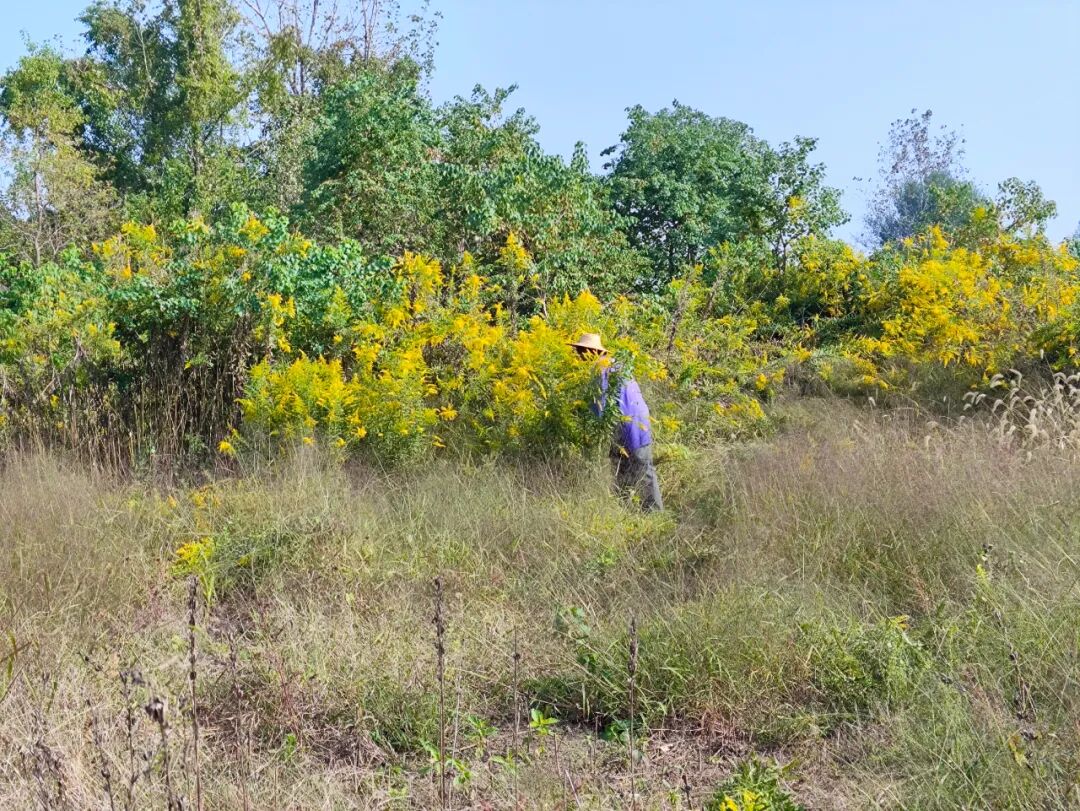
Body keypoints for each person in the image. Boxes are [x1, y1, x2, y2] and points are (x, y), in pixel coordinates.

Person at [570, 332, 663, 511]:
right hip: (631, 420)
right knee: (621, 465)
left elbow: (599, 405)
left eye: (581, 351)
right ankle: (625, 510)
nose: (578, 355)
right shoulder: (614, 364)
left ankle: (655, 514)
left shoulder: (600, 368)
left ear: (591, 352)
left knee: (642, 468)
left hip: (631, 424)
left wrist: (582, 419)